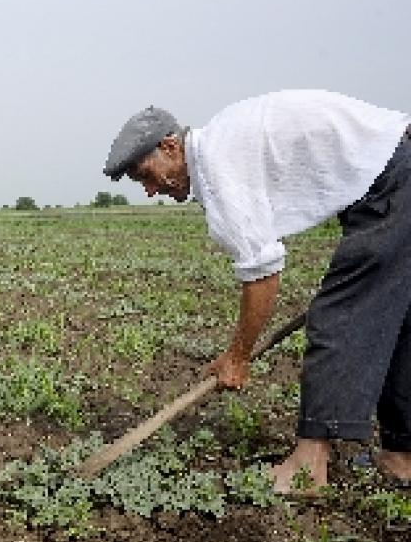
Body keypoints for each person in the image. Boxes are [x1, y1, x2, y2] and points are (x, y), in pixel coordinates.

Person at [103, 89, 411, 495]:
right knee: (398, 320)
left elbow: (263, 273)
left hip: (393, 178)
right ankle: (402, 457)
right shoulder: (222, 143)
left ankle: (308, 466)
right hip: (397, 165)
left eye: (145, 173)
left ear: (170, 146)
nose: (148, 189)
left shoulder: (217, 169)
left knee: (338, 319)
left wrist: (238, 357)